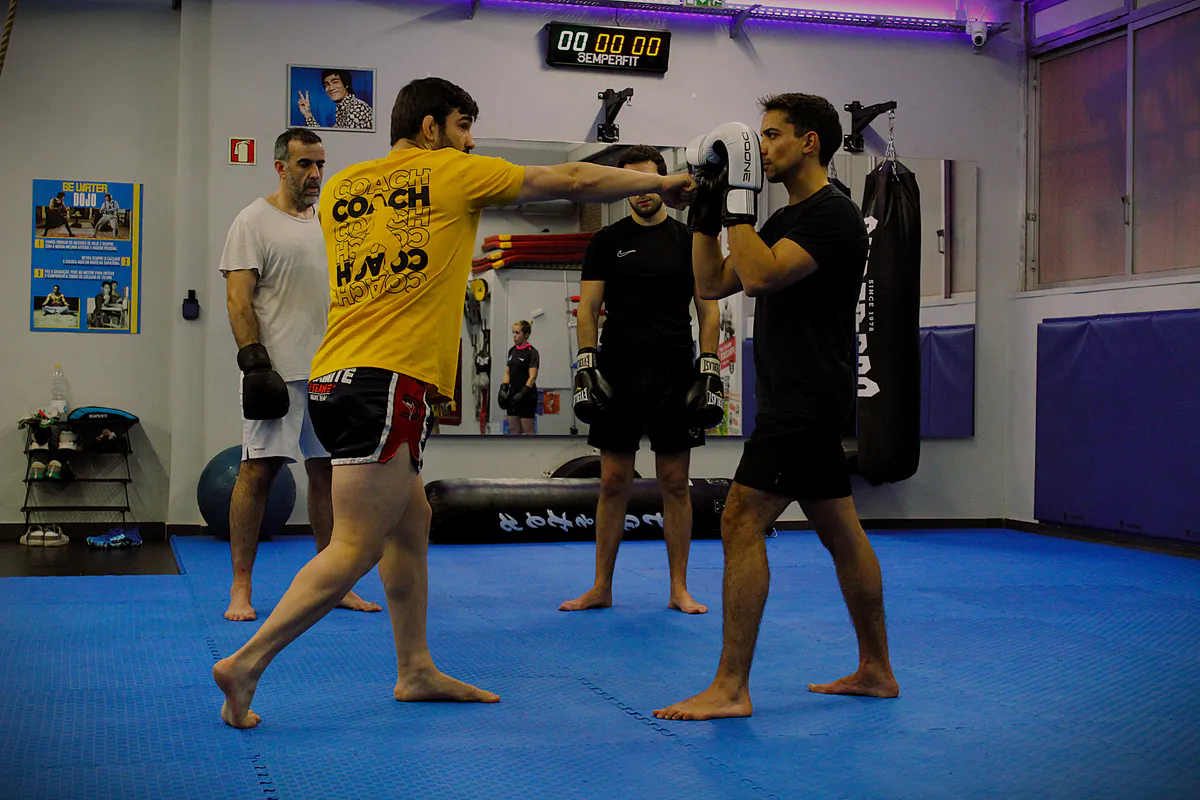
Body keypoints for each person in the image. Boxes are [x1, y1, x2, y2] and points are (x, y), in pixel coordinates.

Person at [213, 76, 696, 729]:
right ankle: (247, 662)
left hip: (337, 376)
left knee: (411, 523)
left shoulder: (348, 188)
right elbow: (574, 182)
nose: (471, 141)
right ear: (434, 128)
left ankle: (414, 668)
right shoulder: (452, 172)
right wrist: (661, 185)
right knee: (354, 545)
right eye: (465, 126)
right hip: (389, 382)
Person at [655, 94, 899, 722]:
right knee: (842, 531)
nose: (760, 149)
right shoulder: (784, 219)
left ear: (809, 141)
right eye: (758, 138)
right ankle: (876, 670)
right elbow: (712, 284)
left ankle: (731, 687)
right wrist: (708, 217)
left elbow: (760, 277)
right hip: (798, 393)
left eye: (771, 136)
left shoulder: (832, 215)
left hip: (807, 396)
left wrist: (736, 204)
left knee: (740, 517)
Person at [218, 127, 381, 623]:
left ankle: (333, 583)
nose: (314, 174)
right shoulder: (253, 220)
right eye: (305, 164)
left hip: (331, 370)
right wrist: (254, 363)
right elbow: (237, 298)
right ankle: (241, 588)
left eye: (319, 165)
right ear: (280, 167)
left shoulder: (330, 223)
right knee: (258, 471)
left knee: (328, 476)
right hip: (279, 372)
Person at [559, 144, 721, 616]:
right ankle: (601, 586)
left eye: (650, 184)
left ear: (663, 184)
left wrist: (708, 367)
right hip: (619, 368)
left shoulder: (689, 238)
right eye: (632, 185)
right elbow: (588, 308)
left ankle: (678, 589)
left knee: (675, 482)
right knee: (612, 481)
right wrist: (587, 362)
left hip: (675, 368)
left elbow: (708, 308)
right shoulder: (606, 241)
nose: (642, 194)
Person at [299, 69, 373, 130]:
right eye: (327, 84)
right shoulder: (342, 109)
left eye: (335, 82)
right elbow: (329, 136)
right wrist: (308, 115)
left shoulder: (357, 108)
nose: (331, 88)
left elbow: (347, 142)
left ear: (346, 84)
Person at [499, 320, 539, 435]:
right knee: (513, 429)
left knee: (528, 430)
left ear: (526, 335)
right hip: (513, 394)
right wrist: (503, 389)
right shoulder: (512, 351)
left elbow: (532, 377)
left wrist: (523, 393)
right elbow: (507, 373)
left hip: (526, 395)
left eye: (517, 333)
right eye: (513, 333)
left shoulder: (531, 353)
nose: (514, 336)